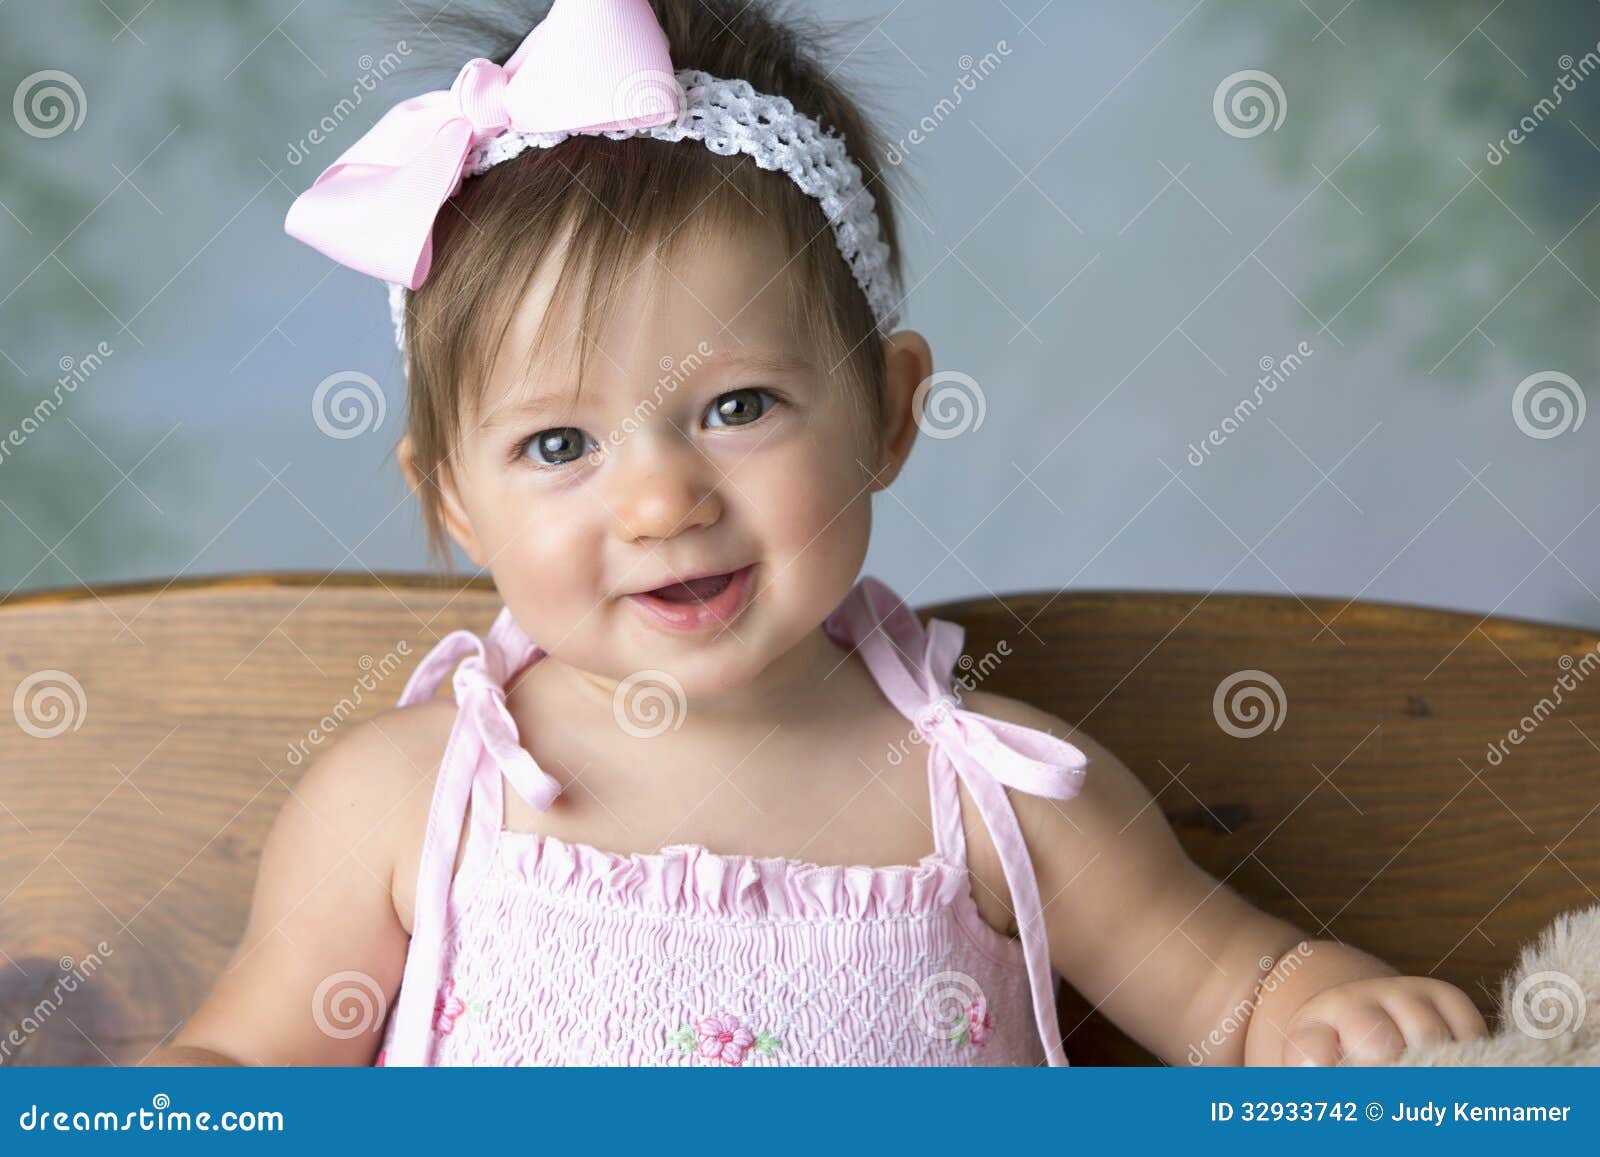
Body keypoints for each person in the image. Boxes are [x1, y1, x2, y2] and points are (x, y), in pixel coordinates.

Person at [143, 0, 1487, 1067]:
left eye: (739, 405)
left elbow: (1233, 991)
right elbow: (250, 1063)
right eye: (560, 444)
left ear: (887, 414)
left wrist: (1323, 1011)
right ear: (450, 495)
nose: (663, 500)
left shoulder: (996, 797)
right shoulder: (402, 801)